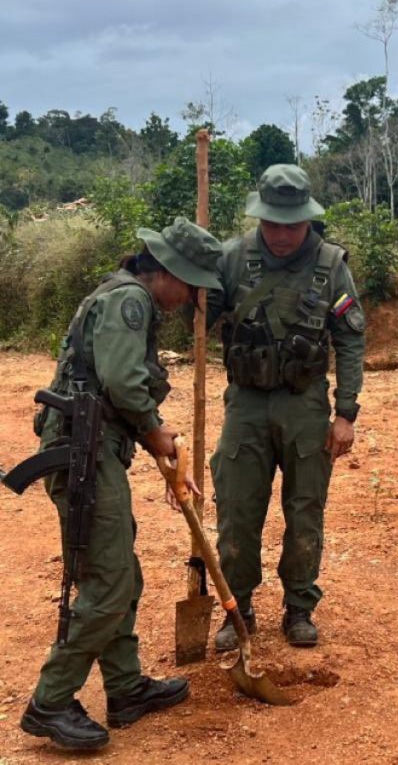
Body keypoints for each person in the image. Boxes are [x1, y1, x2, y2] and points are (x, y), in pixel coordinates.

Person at [20, 217, 222, 751]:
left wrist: (152, 434)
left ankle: (125, 687)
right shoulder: (130, 301)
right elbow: (123, 383)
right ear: (169, 272)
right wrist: (156, 432)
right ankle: (52, 701)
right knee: (107, 584)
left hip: (97, 451)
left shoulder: (127, 298)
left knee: (121, 574)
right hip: (85, 456)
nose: (190, 300)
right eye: (191, 286)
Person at [207, 164, 365, 650]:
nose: (280, 235)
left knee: (305, 509)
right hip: (246, 404)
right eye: (271, 223)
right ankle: (239, 609)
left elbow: (350, 340)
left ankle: (299, 606)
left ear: (307, 219)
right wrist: (198, 293)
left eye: (290, 225)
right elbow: (202, 320)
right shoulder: (230, 259)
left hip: (306, 406)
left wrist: (346, 413)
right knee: (236, 507)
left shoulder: (331, 263)